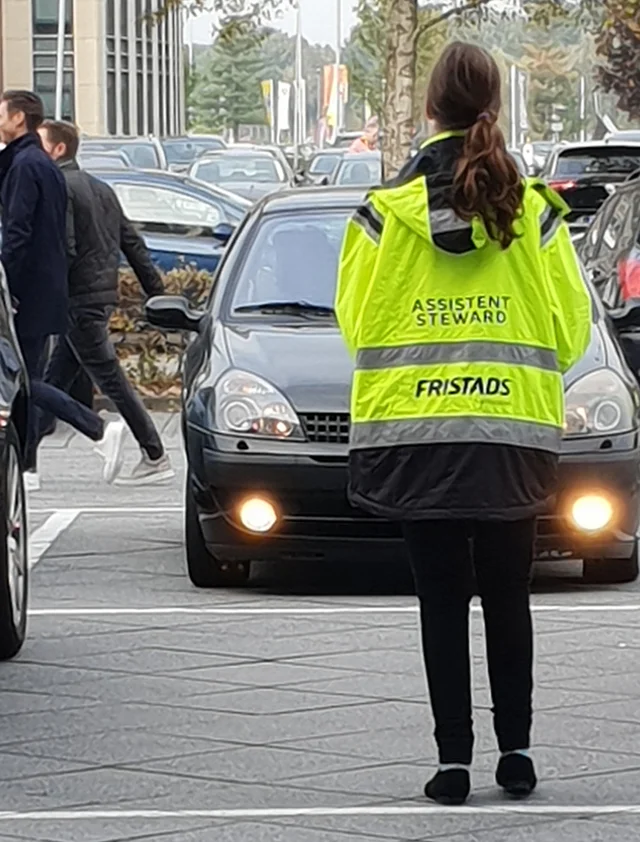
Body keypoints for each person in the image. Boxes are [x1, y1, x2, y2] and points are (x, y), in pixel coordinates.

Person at [335, 42, 591, 805]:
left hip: (416, 437)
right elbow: (572, 330)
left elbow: (355, 324)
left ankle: (452, 764)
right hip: (510, 434)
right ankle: (517, 753)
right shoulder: (536, 212)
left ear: (427, 110)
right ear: (496, 109)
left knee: (440, 601)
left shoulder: (382, 216)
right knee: (509, 595)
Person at [37, 120, 174, 485]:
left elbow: (62, 248)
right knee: (51, 379)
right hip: (98, 296)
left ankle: (154, 453)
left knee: (111, 380)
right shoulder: (102, 189)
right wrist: (157, 294)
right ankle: (26, 461)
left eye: (40, 144)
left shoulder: (60, 187)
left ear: (58, 149)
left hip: (76, 300)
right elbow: (133, 244)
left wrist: (44, 292)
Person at [0, 90, 124, 491]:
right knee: (28, 377)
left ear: (19, 118)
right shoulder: (38, 162)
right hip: (44, 288)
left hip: (27, 293)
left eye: (2, 112)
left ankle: (97, 429)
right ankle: (28, 466)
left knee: (23, 380)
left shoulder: (24, 166)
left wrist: (8, 288)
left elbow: (18, 234)